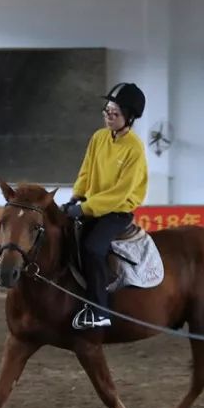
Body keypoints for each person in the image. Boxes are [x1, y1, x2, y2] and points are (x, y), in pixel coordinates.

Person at [64, 82, 149, 329]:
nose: (109, 118)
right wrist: (76, 197)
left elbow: (119, 194)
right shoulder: (99, 138)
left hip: (117, 211)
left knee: (92, 247)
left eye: (115, 114)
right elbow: (86, 171)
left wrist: (84, 209)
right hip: (90, 204)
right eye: (107, 112)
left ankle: (100, 310)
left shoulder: (134, 148)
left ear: (129, 118)